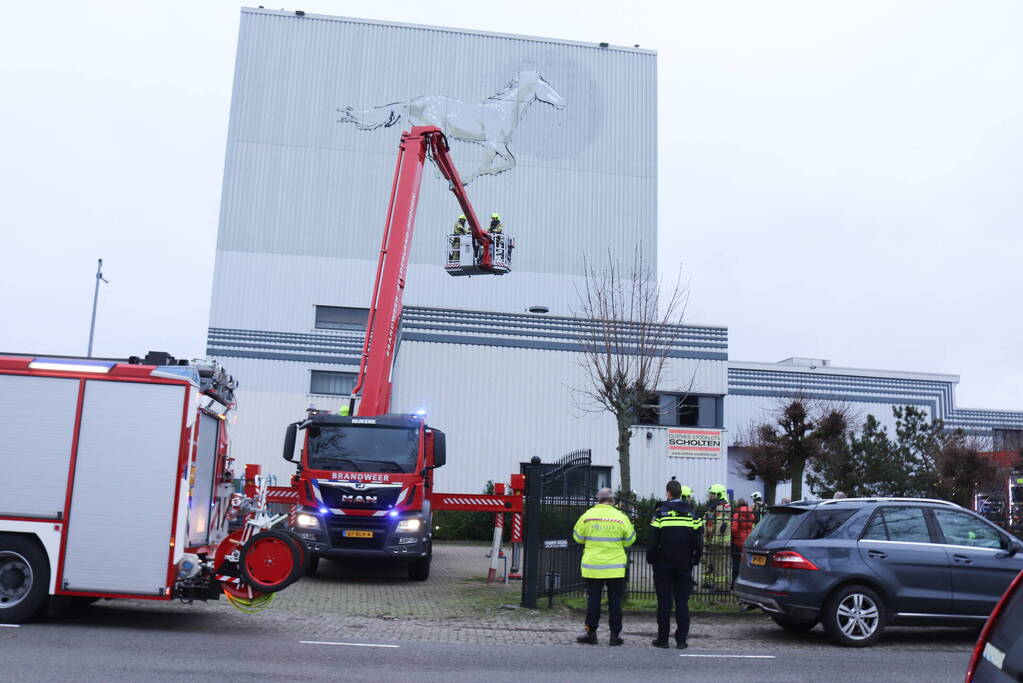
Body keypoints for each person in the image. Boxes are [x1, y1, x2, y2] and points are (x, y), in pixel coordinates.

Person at [573, 488, 635, 646]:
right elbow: (630, 540)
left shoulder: (587, 517)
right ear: (612, 500)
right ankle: (615, 635)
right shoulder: (621, 517)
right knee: (615, 602)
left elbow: (578, 538)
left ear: (598, 500)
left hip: (593, 566)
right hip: (615, 568)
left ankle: (591, 633)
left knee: (593, 601)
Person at [647, 479, 703, 649]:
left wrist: (651, 558)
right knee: (682, 603)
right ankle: (681, 640)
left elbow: (652, 540)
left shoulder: (660, 513)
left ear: (668, 493)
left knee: (664, 602)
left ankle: (662, 640)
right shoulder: (692, 514)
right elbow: (699, 541)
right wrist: (695, 559)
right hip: (684, 563)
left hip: (663, 563)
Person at [702, 483, 731, 591]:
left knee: (720, 566)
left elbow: (720, 525)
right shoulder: (717, 506)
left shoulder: (720, 507)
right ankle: (719, 586)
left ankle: (721, 588)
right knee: (718, 566)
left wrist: (716, 539)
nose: (710, 496)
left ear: (718, 495)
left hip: (721, 543)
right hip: (718, 542)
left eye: (712, 494)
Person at [730, 498, 755, 588]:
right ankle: (745, 583)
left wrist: (732, 537)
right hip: (747, 540)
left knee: (736, 563)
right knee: (746, 563)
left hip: (738, 542)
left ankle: (734, 583)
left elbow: (734, 529)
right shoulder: (751, 514)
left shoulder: (737, 514)